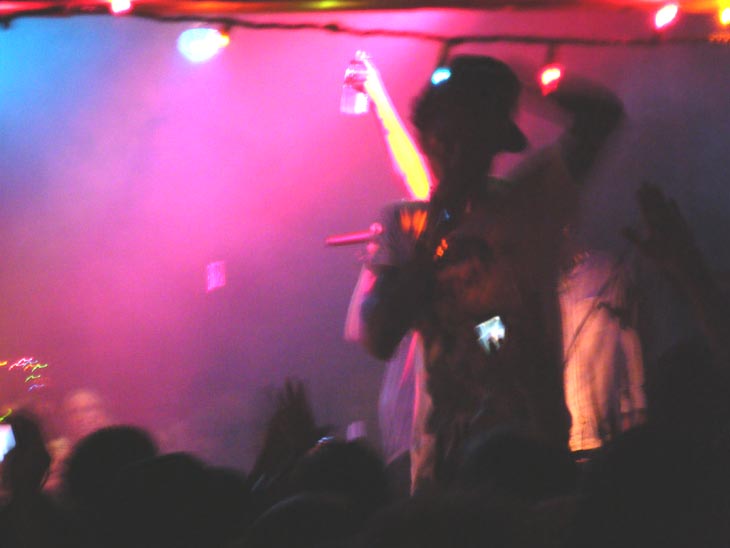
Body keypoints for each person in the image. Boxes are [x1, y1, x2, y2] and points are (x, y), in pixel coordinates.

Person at [355, 54, 624, 490]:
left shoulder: (529, 199)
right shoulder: (404, 222)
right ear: (426, 136)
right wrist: (440, 219)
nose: (458, 149)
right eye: (449, 134)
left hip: (536, 463)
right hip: (447, 475)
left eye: (474, 132)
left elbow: (602, 116)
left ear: (496, 138)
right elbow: (378, 336)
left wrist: (523, 81)